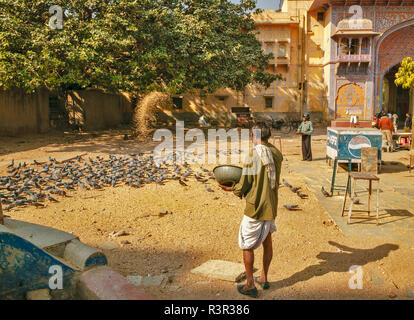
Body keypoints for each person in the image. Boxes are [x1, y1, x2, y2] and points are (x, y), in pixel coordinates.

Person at [219, 122, 283, 298]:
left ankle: (250, 285)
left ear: (254, 137)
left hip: (255, 208)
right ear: (268, 136)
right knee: (267, 241)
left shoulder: (252, 156)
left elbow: (244, 183)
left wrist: (232, 189)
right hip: (271, 206)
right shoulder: (276, 153)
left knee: (247, 245)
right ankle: (264, 277)